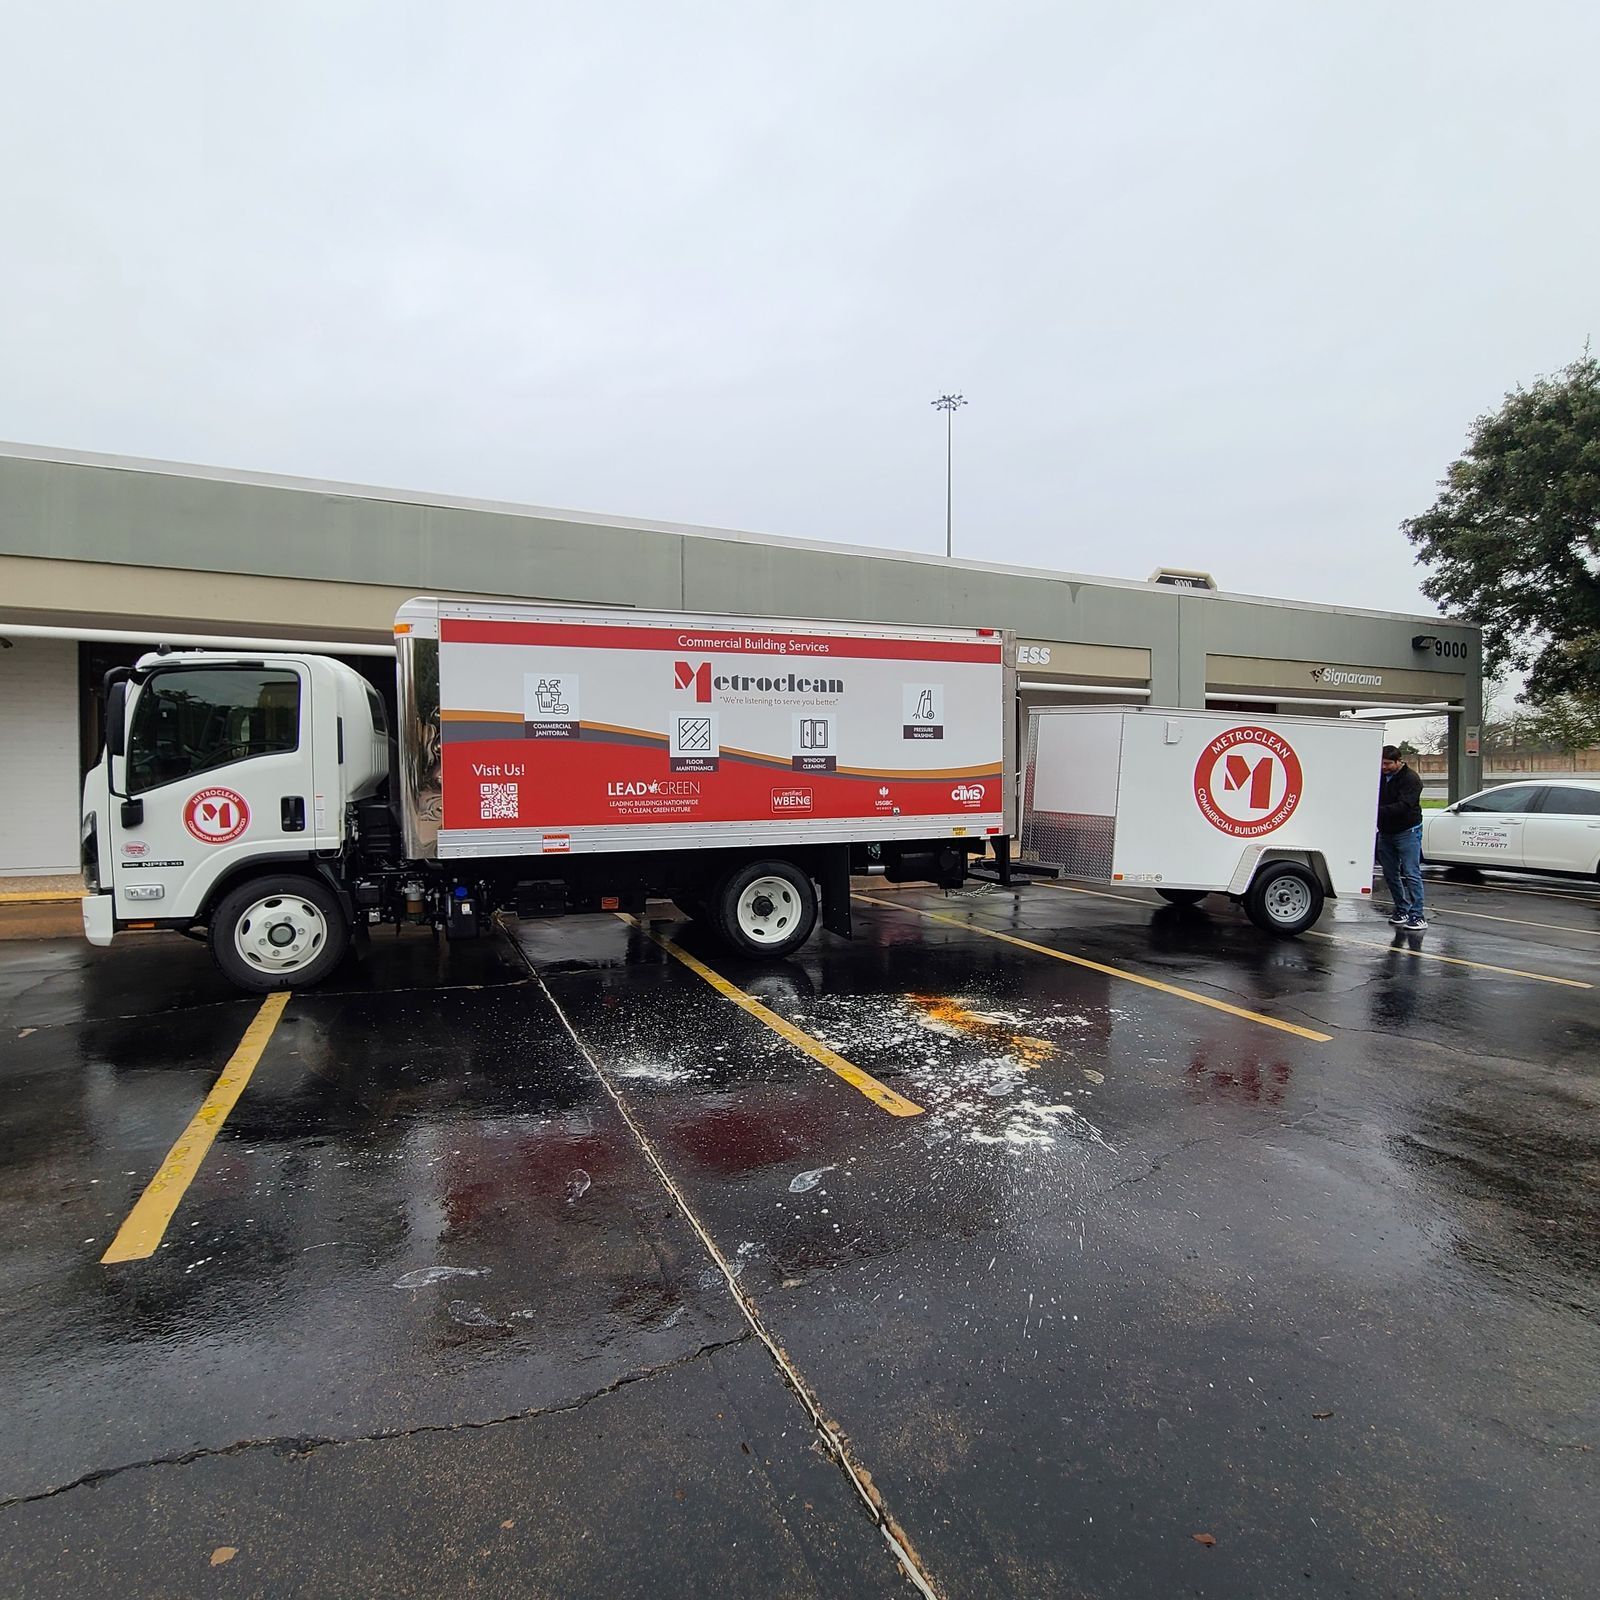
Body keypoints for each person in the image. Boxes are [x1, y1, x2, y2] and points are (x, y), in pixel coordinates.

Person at [1376, 745, 1426, 930]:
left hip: (1408, 831)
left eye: (1388, 763)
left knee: (1411, 873)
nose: (1384, 767)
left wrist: (1376, 811)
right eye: (1381, 763)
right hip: (1386, 832)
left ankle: (1418, 914)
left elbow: (1404, 806)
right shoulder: (1380, 777)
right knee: (1390, 873)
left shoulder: (1411, 779)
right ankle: (1402, 909)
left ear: (1399, 761)